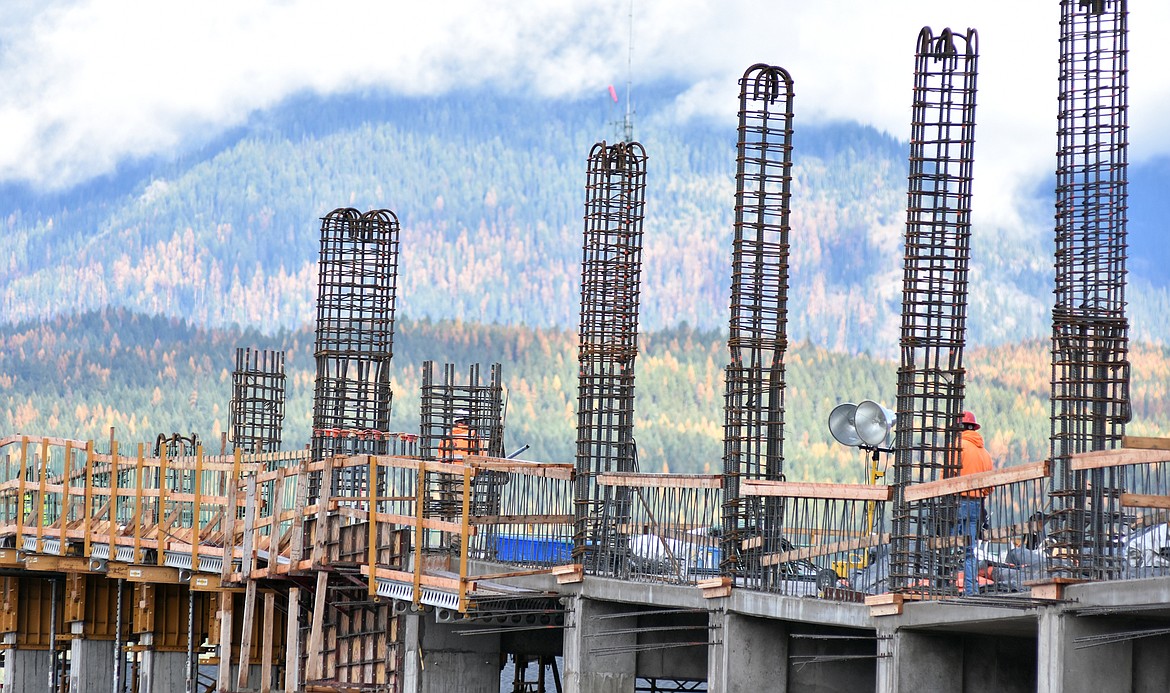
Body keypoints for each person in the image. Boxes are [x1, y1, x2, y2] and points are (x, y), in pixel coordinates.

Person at [957, 410, 992, 595]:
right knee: (969, 550)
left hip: (958, 503)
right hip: (977, 505)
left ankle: (949, 587)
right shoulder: (984, 453)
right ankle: (971, 591)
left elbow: (945, 477)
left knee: (946, 546)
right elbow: (990, 486)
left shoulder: (957, 447)